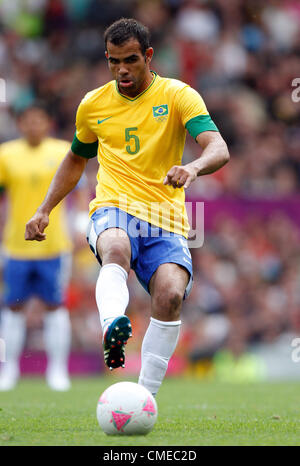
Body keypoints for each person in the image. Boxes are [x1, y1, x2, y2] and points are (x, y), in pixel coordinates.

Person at [25, 18, 229, 397]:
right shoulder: (93, 105)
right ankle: (112, 325)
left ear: (148, 56)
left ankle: (143, 398)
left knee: (169, 295)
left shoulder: (178, 95)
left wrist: (193, 167)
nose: (122, 70)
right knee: (115, 247)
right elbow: (75, 159)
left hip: (165, 218)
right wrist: (44, 209)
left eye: (131, 60)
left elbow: (218, 147)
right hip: (113, 207)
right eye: (113, 61)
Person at [0, 104, 84, 391]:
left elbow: (80, 188)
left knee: (55, 306)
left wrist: (80, 223)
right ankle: (8, 370)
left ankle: (57, 371)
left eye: (39, 120)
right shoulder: (6, 154)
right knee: (12, 307)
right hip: (15, 245)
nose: (33, 125)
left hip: (54, 245)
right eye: (28, 120)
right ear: (20, 124)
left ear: (47, 122)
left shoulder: (63, 150)